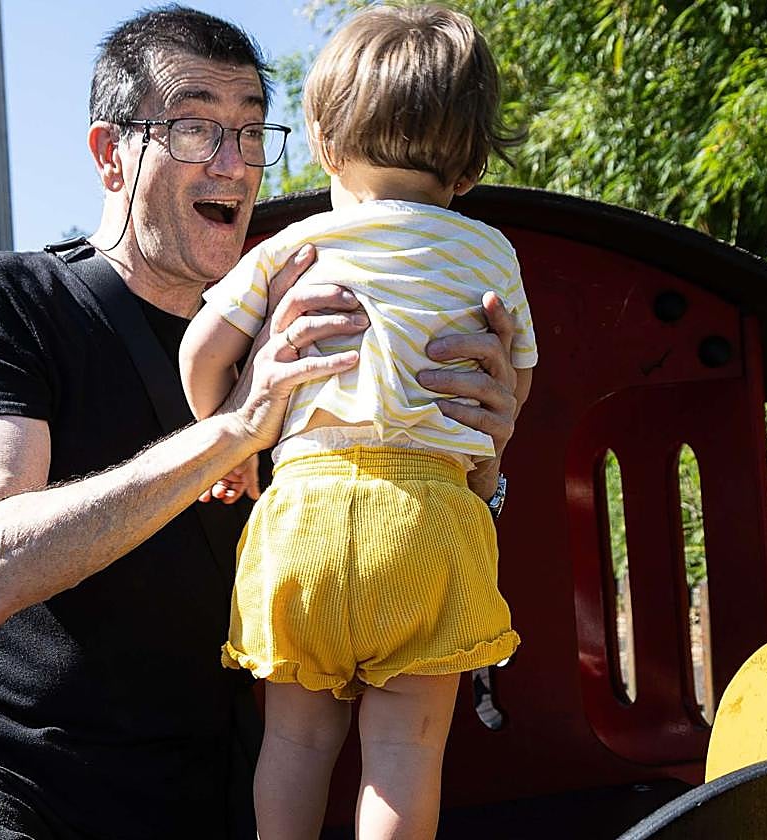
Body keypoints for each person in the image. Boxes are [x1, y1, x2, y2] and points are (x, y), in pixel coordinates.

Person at [0, 5, 523, 839]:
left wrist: (484, 464)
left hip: (198, 784)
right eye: (195, 128)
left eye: (251, 133)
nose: (235, 164)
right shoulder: (5, 298)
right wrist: (235, 428)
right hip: (2, 771)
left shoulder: (314, 294)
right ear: (110, 154)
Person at [179, 5, 536, 837]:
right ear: (472, 163)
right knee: (405, 753)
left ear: (322, 138)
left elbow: (202, 352)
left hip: (301, 517)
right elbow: (513, 380)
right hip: (428, 525)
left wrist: (230, 448)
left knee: (296, 744)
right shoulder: (490, 255)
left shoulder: (292, 248)